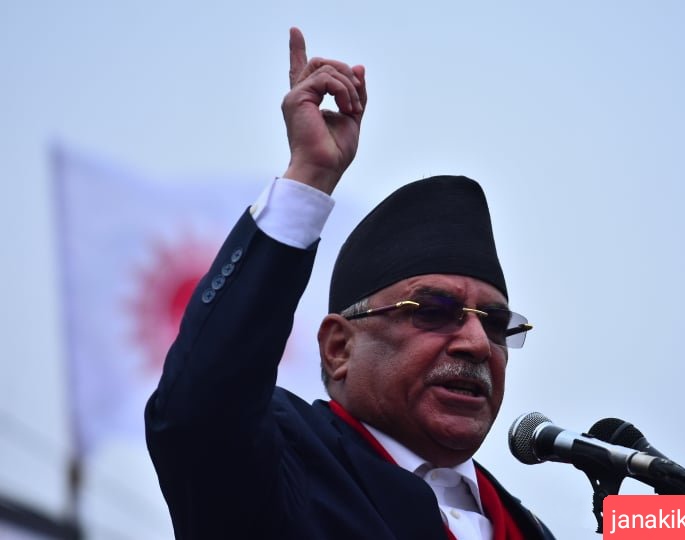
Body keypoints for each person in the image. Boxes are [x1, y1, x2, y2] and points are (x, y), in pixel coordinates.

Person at [145, 27, 555, 540]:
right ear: (339, 347)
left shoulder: (529, 528)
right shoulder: (289, 466)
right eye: (433, 311)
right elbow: (200, 412)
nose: (475, 343)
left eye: (494, 323)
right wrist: (309, 176)